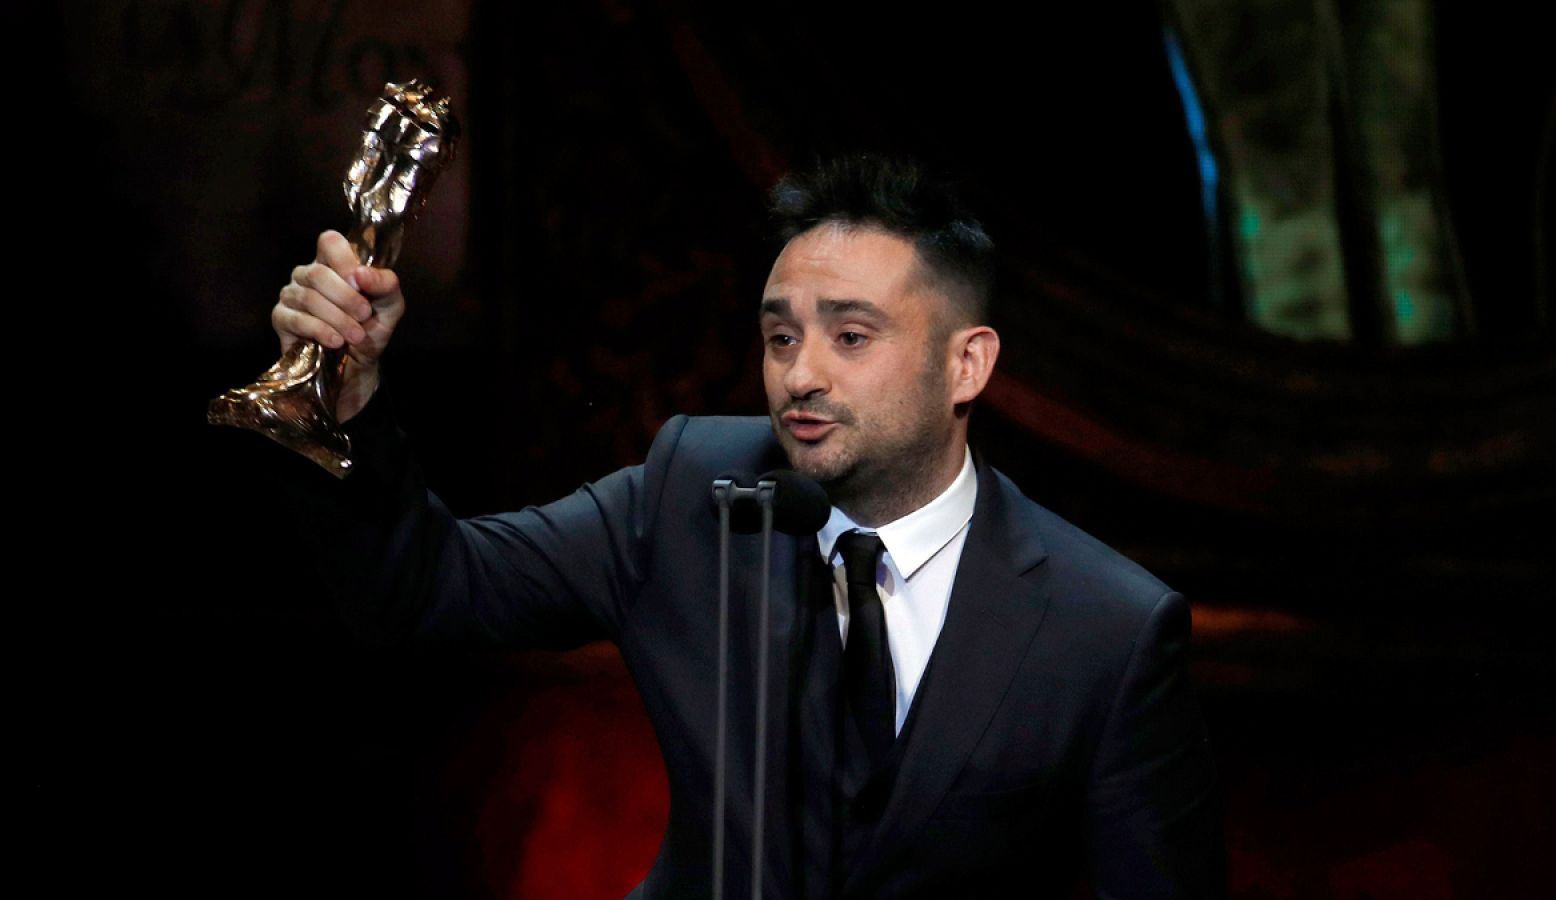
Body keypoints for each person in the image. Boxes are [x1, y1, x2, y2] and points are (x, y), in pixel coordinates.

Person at [273, 155, 1225, 898]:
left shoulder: (1106, 627)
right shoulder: (690, 491)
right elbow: (428, 591)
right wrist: (346, 408)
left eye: (850, 337)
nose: (800, 374)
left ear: (966, 364)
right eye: (780, 336)